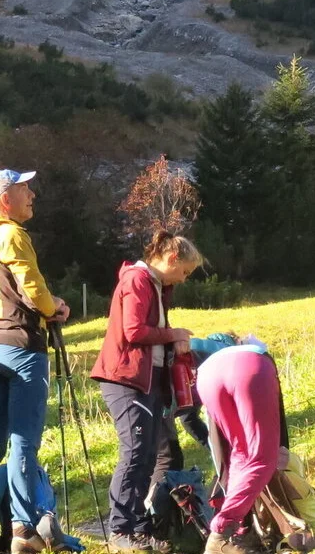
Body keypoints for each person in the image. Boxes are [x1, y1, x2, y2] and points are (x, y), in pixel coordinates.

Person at [0, 169, 72, 554]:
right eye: (25, 188)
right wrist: (54, 307)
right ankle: (24, 529)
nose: (32, 194)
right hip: (23, 347)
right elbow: (32, 287)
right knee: (23, 441)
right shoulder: (11, 234)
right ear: (5, 199)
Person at [89, 232, 203, 552]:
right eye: (184, 271)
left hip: (148, 381)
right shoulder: (137, 280)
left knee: (150, 454)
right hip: (125, 378)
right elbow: (134, 330)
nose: (183, 279)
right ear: (171, 259)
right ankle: (120, 530)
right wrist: (173, 334)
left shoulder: (158, 286)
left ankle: (140, 527)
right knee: (135, 452)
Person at [196, 336, 285, 554]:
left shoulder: (222, 352)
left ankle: (237, 535)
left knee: (240, 453)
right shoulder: (257, 352)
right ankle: (221, 532)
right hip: (250, 369)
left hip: (206, 375)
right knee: (262, 458)